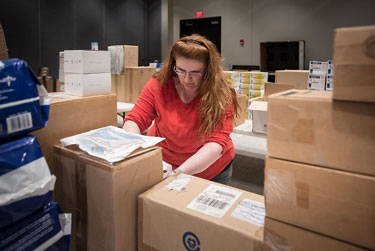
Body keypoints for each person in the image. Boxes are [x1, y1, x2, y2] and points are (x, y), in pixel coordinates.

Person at [123, 34, 239, 185]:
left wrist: (177, 174)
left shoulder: (222, 93)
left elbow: (215, 144)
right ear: (173, 65)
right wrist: (134, 150)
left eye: (195, 72)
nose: (186, 79)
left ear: (209, 70)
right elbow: (136, 118)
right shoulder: (160, 83)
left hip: (210, 169)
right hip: (164, 162)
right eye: (181, 70)